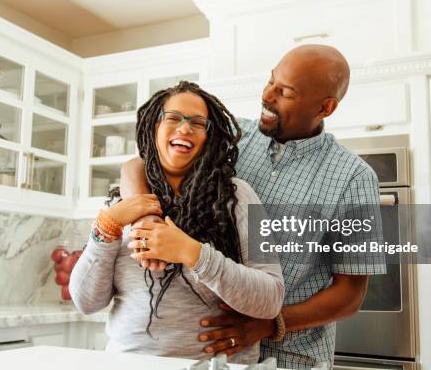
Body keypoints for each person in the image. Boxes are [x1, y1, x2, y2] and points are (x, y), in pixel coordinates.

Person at [121, 45, 386, 369]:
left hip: (293, 357)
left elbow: (350, 294)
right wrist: (146, 221)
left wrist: (270, 324)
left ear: (325, 107)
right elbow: (139, 164)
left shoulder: (354, 178)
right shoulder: (235, 137)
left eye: (285, 92)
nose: (267, 95)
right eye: (270, 81)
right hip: (217, 354)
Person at [69, 81, 285, 364]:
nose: (185, 128)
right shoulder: (120, 205)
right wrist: (106, 229)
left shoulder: (241, 196)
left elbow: (271, 298)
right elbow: (86, 302)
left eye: (198, 123)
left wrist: (192, 253)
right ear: (153, 128)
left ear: (209, 137)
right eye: (173, 118)